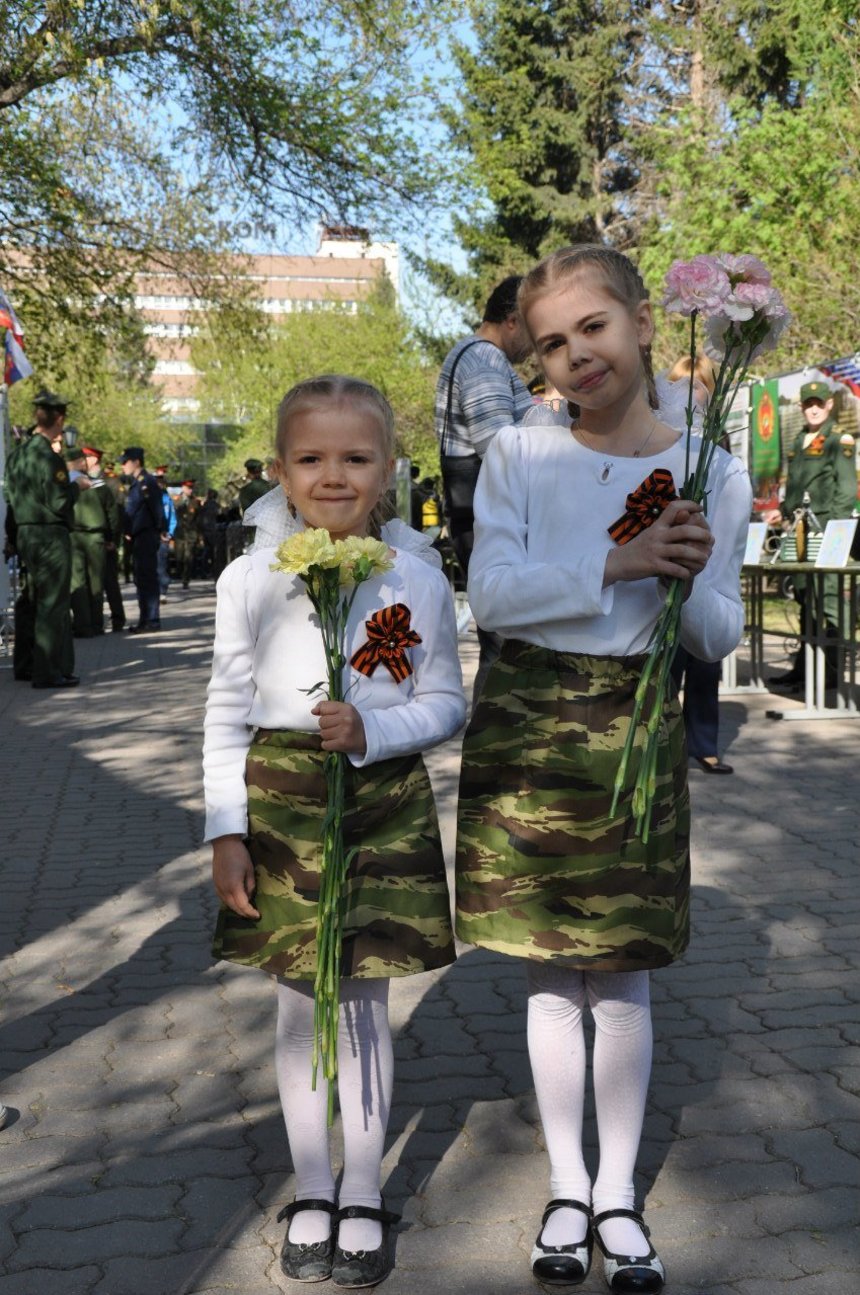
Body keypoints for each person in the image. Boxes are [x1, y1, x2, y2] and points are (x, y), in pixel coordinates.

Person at [454, 245, 751, 1294]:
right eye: (549, 343)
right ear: (533, 360)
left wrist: (690, 569)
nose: (575, 355)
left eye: (592, 327)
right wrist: (618, 562)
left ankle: (617, 1193)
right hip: (532, 724)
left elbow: (715, 632)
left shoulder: (710, 459)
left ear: (636, 321)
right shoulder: (521, 453)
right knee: (549, 968)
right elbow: (489, 595)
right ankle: (565, 1182)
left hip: (633, 722)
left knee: (617, 967)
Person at [203, 374, 466, 1289]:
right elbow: (225, 712)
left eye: (356, 458)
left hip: (379, 797)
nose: (333, 476)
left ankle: (362, 1189)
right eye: (310, 459)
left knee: (361, 1004)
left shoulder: (416, 578)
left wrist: (374, 728)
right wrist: (225, 828)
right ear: (279, 470)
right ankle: (310, 1185)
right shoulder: (247, 579)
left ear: (388, 468)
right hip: (279, 800)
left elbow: (444, 701)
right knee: (294, 1004)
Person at [434, 275, 534, 698]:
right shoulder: (486, 361)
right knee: (507, 644)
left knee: (501, 638)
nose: (538, 344)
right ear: (513, 321)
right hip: (491, 520)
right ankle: (497, 750)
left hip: (476, 517)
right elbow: (501, 448)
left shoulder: (469, 355)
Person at [664, 355, 734, 774]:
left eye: (697, 384)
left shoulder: (720, 441)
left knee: (706, 665)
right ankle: (665, 739)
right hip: (672, 558)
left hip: (710, 559)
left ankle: (704, 743)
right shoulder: (662, 438)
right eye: (678, 384)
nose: (689, 392)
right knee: (669, 658)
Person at [768, 379, 857, 691]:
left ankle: (830, 672)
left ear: (830, 404)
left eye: (819, 403)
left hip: (825, 531)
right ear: (802, 407)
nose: (814, 409)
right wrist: (782, 509)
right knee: (806, 599)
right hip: (799, 531)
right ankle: (805, 668)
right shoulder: (799, 439)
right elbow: (795, 486)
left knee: (828, 601)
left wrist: (834, 534)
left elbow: (845, 491)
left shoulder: (838, 439)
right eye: (809, 404)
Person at [3, 391, 90, 687]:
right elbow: (58, 501)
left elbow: (10, 500)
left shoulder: (16, 456)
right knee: (52, 603)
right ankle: (47, 672)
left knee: (30, 601)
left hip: (25, 533)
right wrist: (78, 487)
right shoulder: (48, 458)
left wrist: (13, 536)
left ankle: (25, 665)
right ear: (60, 419)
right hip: (49, 535)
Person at [65, 444, 113, 637]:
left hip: (74, 537)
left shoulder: (65, 485)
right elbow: (112, 514)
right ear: (79, 462)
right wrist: (111, 538)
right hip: (96, 538)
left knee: (78, 582)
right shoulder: (96, 484)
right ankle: (97, 624)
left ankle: (83, 626)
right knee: (96, 582)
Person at [120, 447, 164, 633]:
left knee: (147, 579)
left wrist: (158, 531)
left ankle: (151, 620)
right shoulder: (137, 483)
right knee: (141, 579)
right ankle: (145, 619)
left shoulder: (147, 482)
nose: (122, 466)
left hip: (146, 536)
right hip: (138, 536)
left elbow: (156, 509)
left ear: (136, 462)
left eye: (125, 462)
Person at [83, 446, 125, 630]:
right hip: (95, 541)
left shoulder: (109, 483)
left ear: (94, 459)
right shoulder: (84, 481)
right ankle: (96, 620)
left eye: (87, 458)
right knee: (97, 581)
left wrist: (113, 540)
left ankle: (115, 620)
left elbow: (116, 514)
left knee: (108, 582)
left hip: (105, 540)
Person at [173, 479, 200, 587]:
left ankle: (186, 579)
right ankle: (180, 572)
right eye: (188, 488)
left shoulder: (195, 501)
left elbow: (198, 518)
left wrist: (199, 535)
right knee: (179, 557)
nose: (190, 490)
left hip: (191, 532)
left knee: (189, 557)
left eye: (191, 488)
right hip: (179, 532)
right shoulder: (176, 499)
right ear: (183, 488)